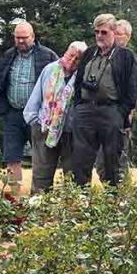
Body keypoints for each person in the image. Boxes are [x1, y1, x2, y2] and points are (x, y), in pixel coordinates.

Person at [70, 14, 137, 187]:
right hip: (86, 111)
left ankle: (113, 203)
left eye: (104, 32)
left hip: (111, 111)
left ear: (114, 32)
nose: (100, 36)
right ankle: (80, 201)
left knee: (112, 161)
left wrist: (120, 112)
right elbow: (78, 82)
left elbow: (133, 89)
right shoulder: (89, 53)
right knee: (80, 160)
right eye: (96, 32)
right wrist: (78, 107)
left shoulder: (126, 56)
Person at [0, 21, 60, 195]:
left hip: (37, 116)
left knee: (41, 157)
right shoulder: (8, 55)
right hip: (12, 113)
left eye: (24, 38)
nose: (21, 41)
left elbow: (59, 82)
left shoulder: (48, 56)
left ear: (33, 37)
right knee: (11, 156)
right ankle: (15, 196)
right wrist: (2, 109)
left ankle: (40, 195)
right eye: (17, 38)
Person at [24, 41, 87, 193]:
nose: (72, 61)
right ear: (65, 52)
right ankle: (38, 210)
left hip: (71, 132)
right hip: (44, 127)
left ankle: (71, 212)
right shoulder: (50, 69)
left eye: (77, 59)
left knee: (72, 176)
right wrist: (35, 121)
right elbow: (36, 97)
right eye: (71, 55)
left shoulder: (83, 76)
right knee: (41, 176)